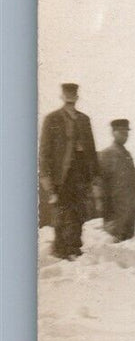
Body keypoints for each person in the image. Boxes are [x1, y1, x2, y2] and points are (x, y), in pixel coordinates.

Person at [38, 82, 101, 260]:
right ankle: (60, 249)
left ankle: (74, 247)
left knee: (79, 210)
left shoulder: (84, 120)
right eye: (67, 94)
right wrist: (46, 176)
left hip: (80, 172)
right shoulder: (52, 119)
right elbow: (44, 151)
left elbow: (92, 150)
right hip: (61, 175)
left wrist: (95, 175)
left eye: (73, 94)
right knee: (62, 211)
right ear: (62, 96)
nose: (70, 97)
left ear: (77, 97)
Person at [97, 118, 135, 241]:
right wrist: (104, 208)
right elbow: (100, 183)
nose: (124, 135)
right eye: (121, 132)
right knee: (114, 245)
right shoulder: (106, 154)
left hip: (129, 212)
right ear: (113, 132)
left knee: (128, 246)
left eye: (126, 133)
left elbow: (132, 183)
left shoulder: (127, 155)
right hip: (114, 212)